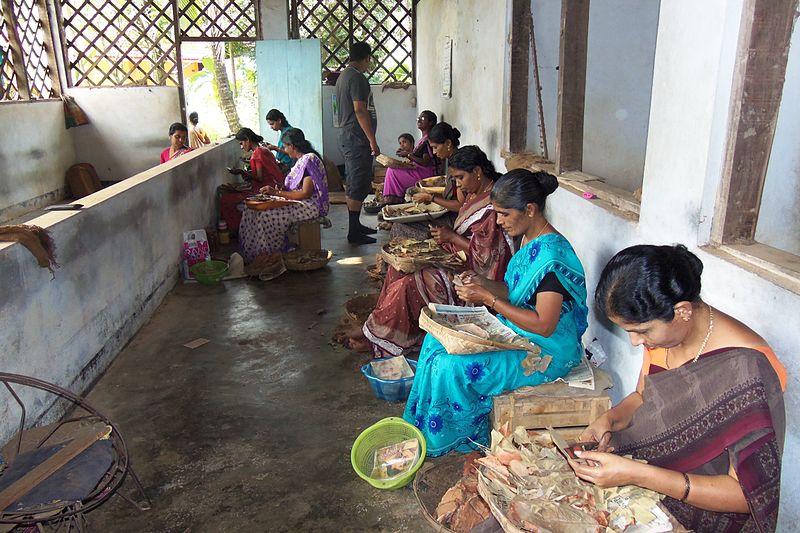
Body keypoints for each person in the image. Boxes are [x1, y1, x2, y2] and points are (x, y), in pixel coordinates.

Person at [567, 245, 785, 532]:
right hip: (644, 476)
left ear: (682, 311)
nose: (635, 342)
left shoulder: (749, 368)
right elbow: (642, 398)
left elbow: (745, 496)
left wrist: (640, 476)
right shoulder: (664, 337)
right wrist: (609, 420)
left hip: (705, 514)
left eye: (642, 331)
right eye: (628, 332)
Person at [403, 168, 588, 456]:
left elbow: (544, 325)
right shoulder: (529, 239)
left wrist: (488, 298)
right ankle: (423, 426)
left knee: (450, 368)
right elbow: (516, 293)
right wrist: (483, 284)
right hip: (520, 331)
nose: (498, 222)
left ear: (529, 209)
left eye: (503, 214)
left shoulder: (552, 258)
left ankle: (454, 437)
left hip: (545, 352)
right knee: (433, 342)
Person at [352, 146, 513, 357]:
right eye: (454, 179)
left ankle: (383, 339)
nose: (458, 184)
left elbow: (488, 256)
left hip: (476, 273)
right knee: (397, 270)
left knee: (409, 284)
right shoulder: (475, 193)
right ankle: (375, 329)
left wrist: (452, 237)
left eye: (460, 178)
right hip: (457, 255)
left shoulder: (494, 204)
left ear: (478, 172)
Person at [239, 128, 329, 261]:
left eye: (285, 146)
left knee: (265, 216)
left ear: (292, 146)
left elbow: (305, 193)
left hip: (310, 206)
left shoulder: (308, 160)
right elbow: (297, 188)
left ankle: (273, 254)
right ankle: (256, 255)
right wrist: (280, 191)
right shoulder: (301, 159)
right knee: (250, 210)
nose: (285, 150)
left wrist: (277, 193)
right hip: (299, 200)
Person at [335, 40, 380, 245]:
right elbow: (360, 110)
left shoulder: (344, 76)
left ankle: (356, 225)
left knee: (355, 180)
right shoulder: (357, 78)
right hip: (356, 138)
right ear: (366, 58)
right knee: (357, 181)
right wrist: (372, 140)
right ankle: (353, 232)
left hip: (348, 135)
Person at [389, 122, 464, 240]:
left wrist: (431, 198)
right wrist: (429, 195)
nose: (434, 152)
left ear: (448, 143)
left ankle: (417, 253)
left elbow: (460, 206)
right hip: (450, 212)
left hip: (456, 218)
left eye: (435, 147)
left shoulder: (459, 166)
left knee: (399, 227)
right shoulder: (453, 162)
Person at [218, 128, 284, 234]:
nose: (241, 147)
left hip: (264, 189)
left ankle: (237, 231)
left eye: (241, 143)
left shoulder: (258, 154)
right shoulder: (263, 149)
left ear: (247, 140)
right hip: (272, 184)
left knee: (226, 199)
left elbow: (259, 177)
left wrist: (241, 172)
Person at [381, 110, 439, 204]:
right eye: (418, 118)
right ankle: (393, 199)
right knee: (392, 169)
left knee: (392, 171)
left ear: (431, 122)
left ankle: (392, 200)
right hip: (419, 171)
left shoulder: (428, 140)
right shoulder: (423, 139)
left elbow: (425, 162)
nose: (419, 120)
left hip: (425, 174)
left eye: (422, 118)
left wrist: (408, 155)